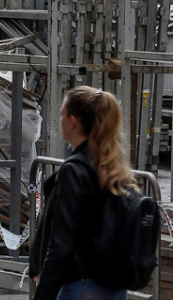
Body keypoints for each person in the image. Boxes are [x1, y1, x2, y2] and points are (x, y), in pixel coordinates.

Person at [29, 86, 136, 300]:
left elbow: (61, 244)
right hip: (114, 284)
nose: (60, 120)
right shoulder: (114, 168)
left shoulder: (74, 171)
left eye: (62, 114)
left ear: (73, 120)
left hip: (81, 284)